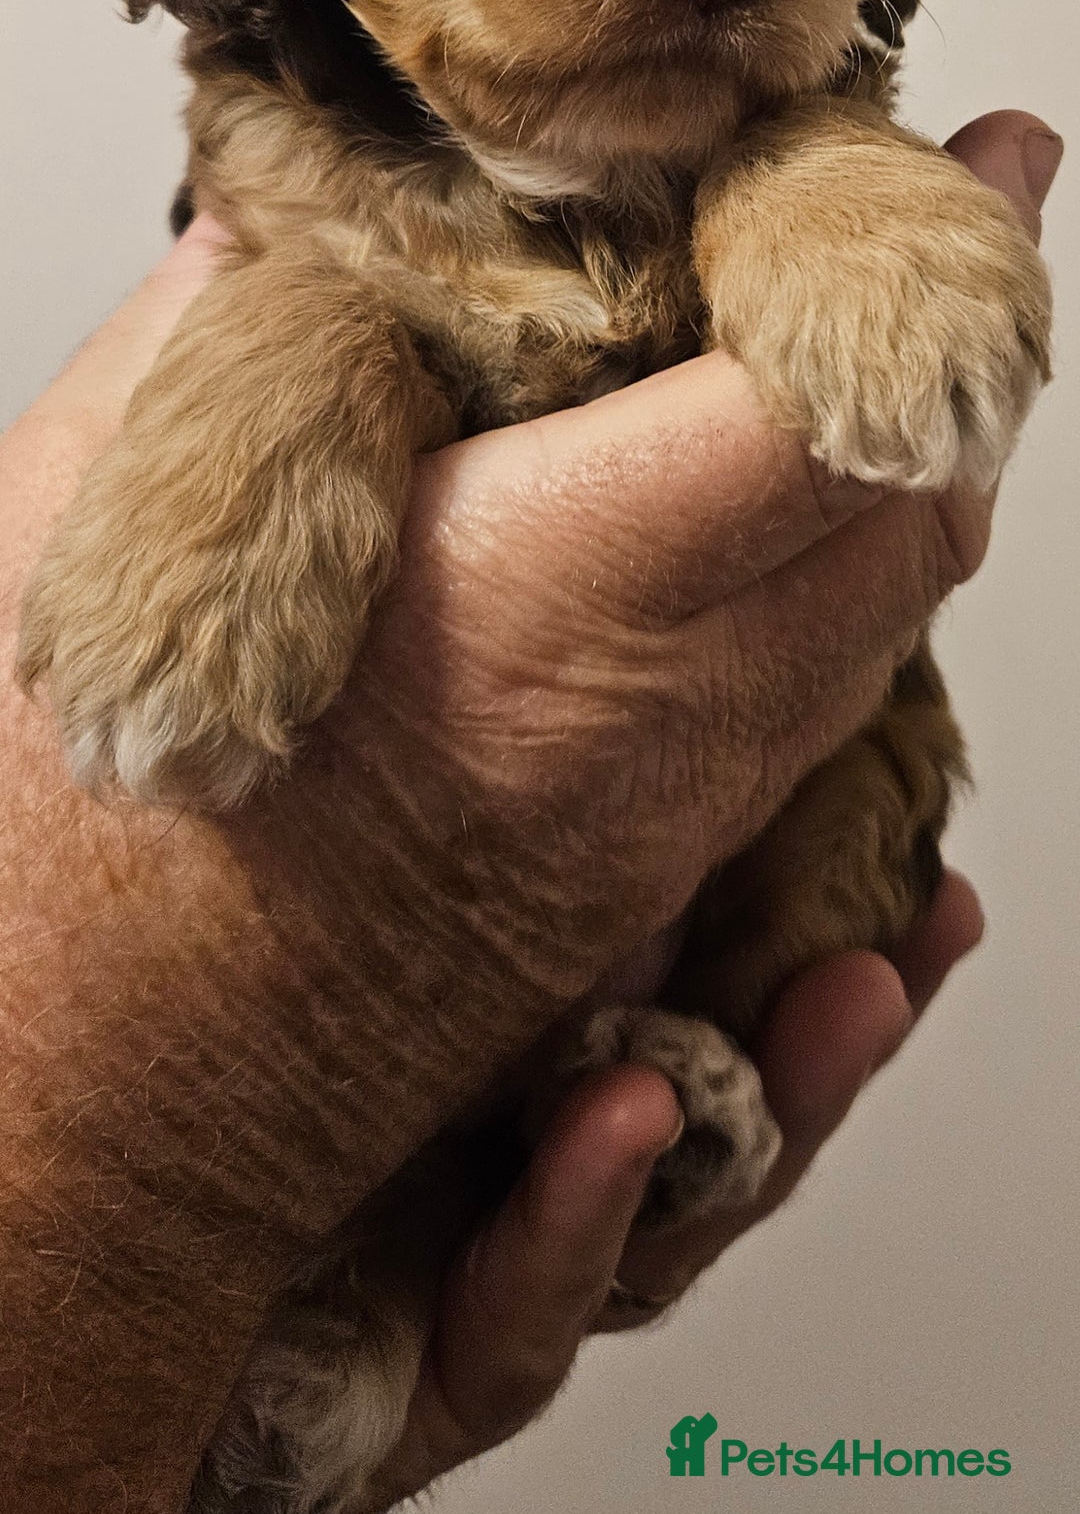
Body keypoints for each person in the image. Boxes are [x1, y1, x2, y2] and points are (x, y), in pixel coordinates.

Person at [0, 111, 1060, 1514]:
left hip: (702, 939)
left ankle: (439, 1226)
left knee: (858, 857)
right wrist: (135, 1176)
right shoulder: (318, 146)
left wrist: (823, 191)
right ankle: (376, 1263)